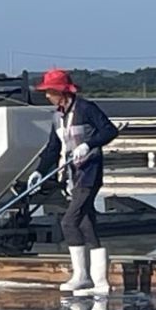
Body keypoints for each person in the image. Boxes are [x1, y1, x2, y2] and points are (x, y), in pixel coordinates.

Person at [27, 68, 119, 294]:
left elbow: (109, 130)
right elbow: (52, 148)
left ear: (61, 92)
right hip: (71, 176)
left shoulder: (86, 109)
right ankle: (100, 282)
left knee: (69, 222)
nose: (47, 96)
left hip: (89, 172)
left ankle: (81, 276)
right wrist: (39, 171)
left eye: (49, 92)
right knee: (86, 223)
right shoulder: (57, 116)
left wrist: (88, 144)